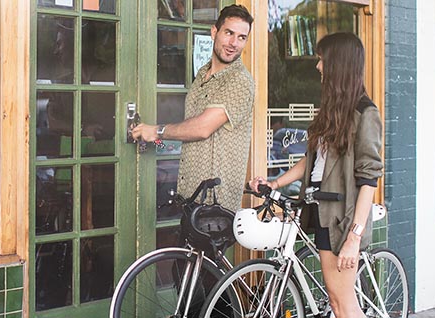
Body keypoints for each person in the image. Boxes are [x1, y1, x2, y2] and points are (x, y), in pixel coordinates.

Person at [249, 32, 383, 318]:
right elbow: (310, 161)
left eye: (322, 60)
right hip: (322, 212)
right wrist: (275, 182)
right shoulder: (331, 112)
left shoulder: (365, 113)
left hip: (343, 219)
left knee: (345, 305)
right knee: (336, 302)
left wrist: (354, 237)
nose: (318, 67)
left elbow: (369, 180)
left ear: (338, 64)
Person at [132, 4, 255, 212]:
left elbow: (201, 128)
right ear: (214, 32)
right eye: (229, 33)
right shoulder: (202, 74)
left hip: (215, 202)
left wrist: (155, 131)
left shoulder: (240, 81)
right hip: (192, 196)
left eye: (242, 37)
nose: (234, 43)